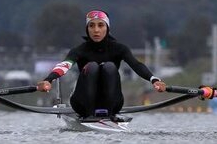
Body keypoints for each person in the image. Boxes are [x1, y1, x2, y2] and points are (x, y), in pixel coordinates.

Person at [37, 10, 167, 120]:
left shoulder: (120, 49)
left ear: (107, 28)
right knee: (92, 66)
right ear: (87, 29)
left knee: (109, 67)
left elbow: (136, 65)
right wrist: (48, 80)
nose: (96, 30)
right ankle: (89, 113)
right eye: (91, 26)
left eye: (100, 25)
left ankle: (109, 113)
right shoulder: (79, 50)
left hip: (113, 104)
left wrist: (154, 80)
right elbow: (64, 66)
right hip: (81, 104)